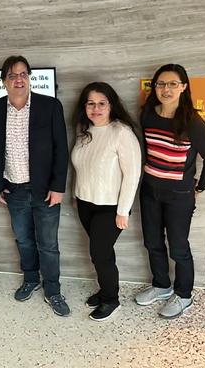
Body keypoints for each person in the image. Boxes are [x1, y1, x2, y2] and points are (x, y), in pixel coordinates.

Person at [0, 56, 70, 316]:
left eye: (23, 74)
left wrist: (58, 187)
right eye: (12, 75)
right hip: (14, 189)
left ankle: (53, 290)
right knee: (23, 239)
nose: (19, 79)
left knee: (48, 243)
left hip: (45, 190)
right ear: (4, 82)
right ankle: (31, 279)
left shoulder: (50, 106)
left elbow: (61, 150)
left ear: (30, 78)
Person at [135, 64, 205, 319]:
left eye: (173, 84)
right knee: (152, 242)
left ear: (183, 87)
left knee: (179, 247)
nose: (166, 89)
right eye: (161, 84)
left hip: (179, 196)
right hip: (149, 190)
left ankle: (184, 295)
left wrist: (200, 186)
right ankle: (161, 285)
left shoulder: (192, 121)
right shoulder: (147, 114)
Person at [70, 82, 142, 321]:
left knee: (99, 253)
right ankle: (105, 291)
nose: (96, 108)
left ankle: (112, 300)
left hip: (111, 206)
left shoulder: (121, 132)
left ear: (111, 105)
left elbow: (132, 174)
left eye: (102, 103)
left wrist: (123, 211)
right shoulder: (84, 132)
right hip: (85, 203)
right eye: (90, 103)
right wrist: (75, 194)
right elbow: (82, 168)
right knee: (101, 253)